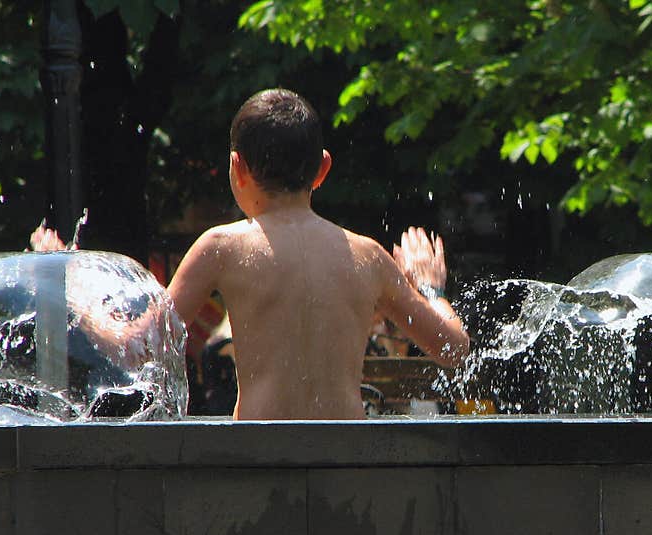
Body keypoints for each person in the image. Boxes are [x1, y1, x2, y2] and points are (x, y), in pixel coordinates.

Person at [166, 88, 470, 420]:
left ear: (237, 167)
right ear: (323, 169)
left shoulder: (221, 247)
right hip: (345, 460)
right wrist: (430, 287)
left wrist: (99, 312)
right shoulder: (367, 256)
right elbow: (454, 349)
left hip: (261, 456)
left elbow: (144, 343)